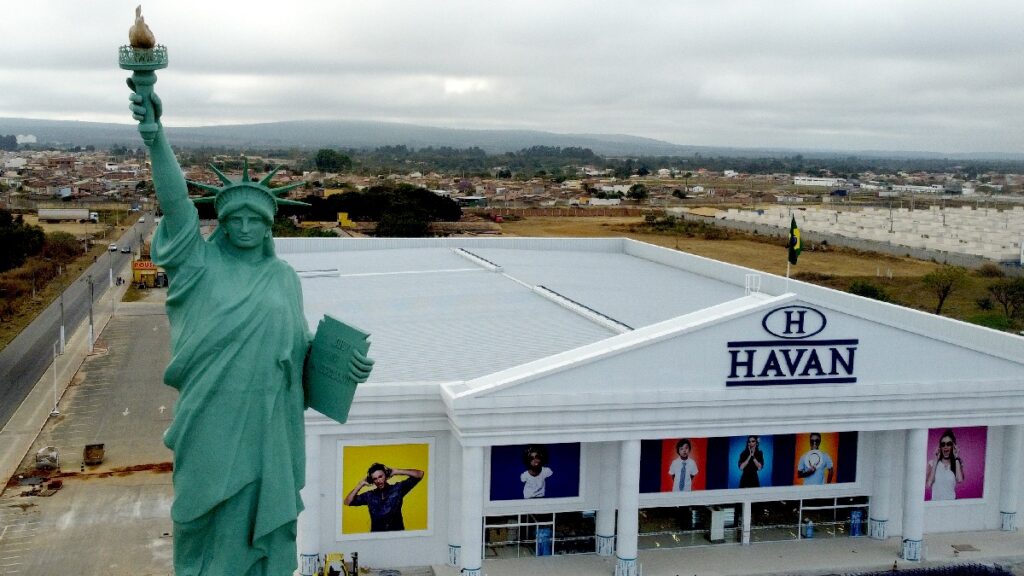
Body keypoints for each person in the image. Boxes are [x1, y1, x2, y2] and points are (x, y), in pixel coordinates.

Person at [127, 86, 371, 575]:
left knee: (266, 525)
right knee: (199, 514)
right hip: (210, 413)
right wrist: (155, 138)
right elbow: (177, 206)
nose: (242, 227)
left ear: (267, 227)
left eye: (253, 220)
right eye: (233, 218)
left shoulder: (282, 278)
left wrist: (348, 368)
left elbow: (301, 354)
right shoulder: (199, 267)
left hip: (269, 420)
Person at [344, 463, 424, 531]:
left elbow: (420, 474)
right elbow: (347, 502)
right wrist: (360, 484)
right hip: (376, 538)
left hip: (397, 536)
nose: (378, 481)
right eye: (375, 479)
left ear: (386, 475)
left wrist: (396, 471)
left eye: (380, 476)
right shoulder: (369, 495)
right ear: (372, 481)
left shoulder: (398, 489)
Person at [926, 429, 965, 500]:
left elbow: (960, 480)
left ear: (953, 446)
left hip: (951, 505)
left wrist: (956, 457)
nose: (945, 446)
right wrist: (935, 460)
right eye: (943, 444)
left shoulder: (957, 464)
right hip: (935, 505)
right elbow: (928, 484)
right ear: (940, 447)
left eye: (949, 444)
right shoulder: (931, 463)